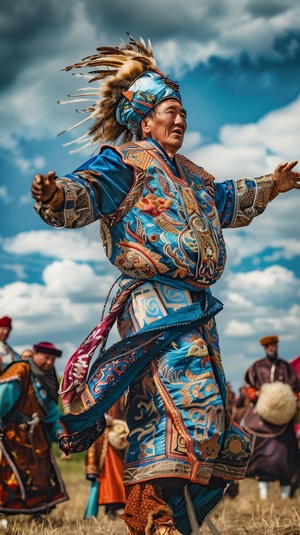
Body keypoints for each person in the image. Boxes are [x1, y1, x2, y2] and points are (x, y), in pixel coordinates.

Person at [30, 35, 300, 535]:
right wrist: (55, 193)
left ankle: (172, 513)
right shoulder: (124, 162)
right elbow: (85, 190)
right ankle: (149, 508)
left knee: (207, 410)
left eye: (183, 113)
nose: (180, 120)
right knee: (184, 400)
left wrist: (272, 185)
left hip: (196, 309)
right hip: (154, 303)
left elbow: (227, 199)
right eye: (170, 111)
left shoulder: (194, 177)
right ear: (144, 117)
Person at [0, 341, 69, 518]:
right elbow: (3, 398)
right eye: (46, 358)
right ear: (35, 355)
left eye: (53, 360)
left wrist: (61, 436)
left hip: (37, 436)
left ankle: (37, 514)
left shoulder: (47, 377)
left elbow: (51, 412)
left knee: (41, 474)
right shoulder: (20, 370)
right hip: (12, 434)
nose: (50, 363)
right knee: (11, 476)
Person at [243, 335, 300, 500]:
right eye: (268, 346)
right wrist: (255, 394)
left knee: (286, 457)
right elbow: (249, 388)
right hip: (261, 420)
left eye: (273, 345)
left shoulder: (286, 367)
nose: (271, 348)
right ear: (265, 348)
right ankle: (263, 495)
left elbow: (296, 389)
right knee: (262, 459)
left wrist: (291, 398)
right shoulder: (257, 367)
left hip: (284, 421)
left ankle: (285, 495)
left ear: (276, 346)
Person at [84, 397, 128, 520]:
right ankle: (110, 506)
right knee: (107, 474)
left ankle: (115, 506)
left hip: (121, 437)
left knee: (120, 472)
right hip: (103, 438)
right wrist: (103, 418)